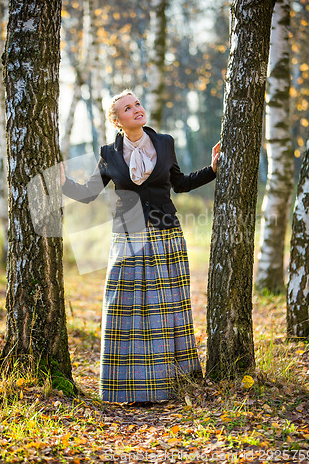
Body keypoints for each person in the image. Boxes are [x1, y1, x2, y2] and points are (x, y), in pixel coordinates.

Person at [60, 90, 220, 405]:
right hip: (127, 236)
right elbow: (89, 193)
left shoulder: (165, 143)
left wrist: (212, 170)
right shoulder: (109, 153)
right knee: (124, 309)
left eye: (137, 104)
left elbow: (181, 183)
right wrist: (62, 181)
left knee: (167, 310)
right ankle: (127, 389)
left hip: (166, 235)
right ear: (117, 120)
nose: (137, 110)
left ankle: (171, 385)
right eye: (127, 108)